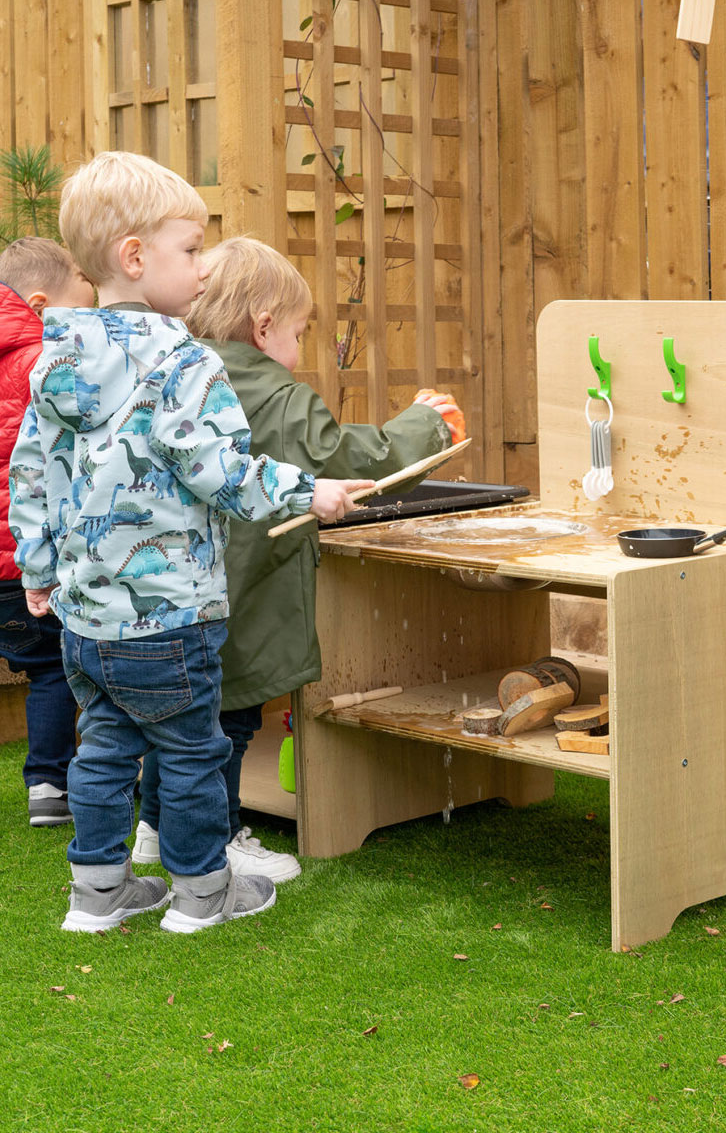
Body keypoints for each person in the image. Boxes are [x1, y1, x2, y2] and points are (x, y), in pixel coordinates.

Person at [8, 151, 373, 932]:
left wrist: (38, 569)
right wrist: (313, 491)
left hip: (84, 621)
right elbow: (220, 470)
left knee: (103, 752)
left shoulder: (55, 358)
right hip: (171, 617)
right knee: (192, 753)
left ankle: (98, 895)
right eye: (192, 248)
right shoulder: (184, 359)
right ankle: (203, 892)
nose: (204, 269)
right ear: (135, 258)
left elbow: (31, 471)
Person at [132, 236, 464, 881]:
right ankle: (219, 836)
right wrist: (424, 424)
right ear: (263, 327)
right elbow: (349, 460)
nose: (299, 347)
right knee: (228, 718)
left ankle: (154, 826)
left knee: (182, 716)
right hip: (243, 586)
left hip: (174, 580)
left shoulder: (170, 372)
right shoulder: (274, 395)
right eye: (299, 331)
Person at [0, 238, 94, 826]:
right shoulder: (43, 362)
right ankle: (49, 787)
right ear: (40, 306)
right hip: (24, 562)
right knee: (53, 669)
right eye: (83, 285)